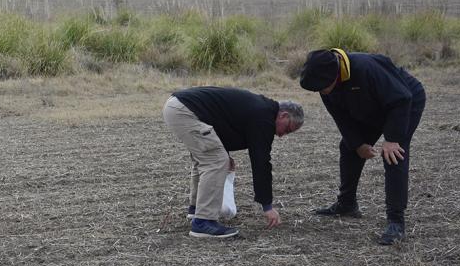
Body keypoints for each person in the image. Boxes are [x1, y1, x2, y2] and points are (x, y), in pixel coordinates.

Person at [299, 48, 426, 245]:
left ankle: (396, 221)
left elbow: (402, 98)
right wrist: (357, 143)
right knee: (349, 147)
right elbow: (341, 117)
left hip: (403, 102)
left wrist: (392, 139)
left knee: (393, 155)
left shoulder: (366, 68)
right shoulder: (325, 84)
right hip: (371, 106)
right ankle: (347, 204)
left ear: (335, 74)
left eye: (323, 86)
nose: (321, 91)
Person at [162, 87, 304, 238]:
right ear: (283, 115)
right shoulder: (264, 117)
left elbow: (222, 123)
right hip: (186, 111)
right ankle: (203, 222)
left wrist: (225, 153)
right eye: (287, 129)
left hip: (179, 106)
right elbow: (261, 162)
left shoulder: (261, 109)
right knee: (215, 160)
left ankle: (196, 210)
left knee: (209, 159)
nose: (282, 135)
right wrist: (267, 206)